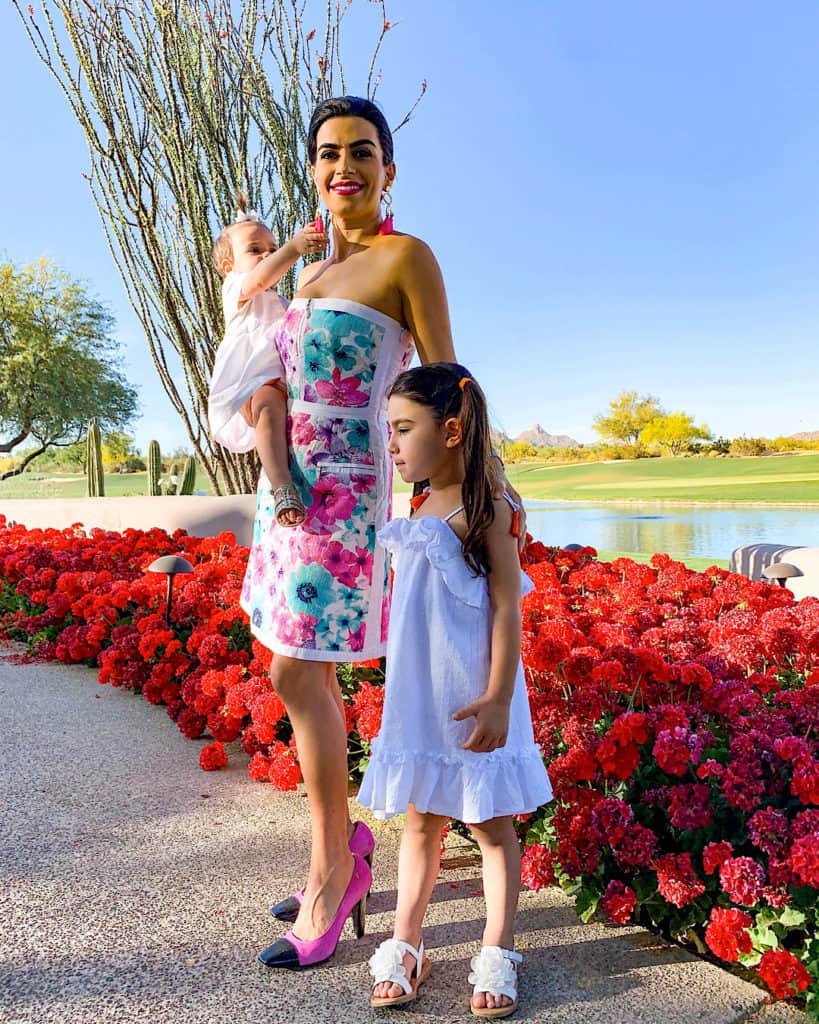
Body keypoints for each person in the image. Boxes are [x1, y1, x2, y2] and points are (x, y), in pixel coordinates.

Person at [250, 96, 527, 972]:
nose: (346, 168)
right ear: (312, 171)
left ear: (388, 169)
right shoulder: (307, 276)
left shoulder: (407, 257)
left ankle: (335, 871)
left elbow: (448, 383)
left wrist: (481, 491)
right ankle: (339, 855)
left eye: (363, 152)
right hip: (286, 494)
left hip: (352, 492)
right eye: (329, 154)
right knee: (288, 670)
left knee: (299, 672)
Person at [357, 363, 552, 1017]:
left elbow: (504, 608)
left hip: (475, 696)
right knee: (419, 822)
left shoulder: (486, 509)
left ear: (450, 430)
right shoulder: (417, 507)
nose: (392, 444)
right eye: (390, 430)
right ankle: (407, 943)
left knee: (490, 826)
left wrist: (498, 697)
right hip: (420, 699)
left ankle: (497, 948)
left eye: (403, 429)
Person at [208, 194, 327, 525]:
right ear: (228, 266)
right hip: (255, 381)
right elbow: (259, 278)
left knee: (283, 419)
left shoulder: (280, 301)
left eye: (272, 249)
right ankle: (282, 486)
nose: (267, 255)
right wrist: (294, 249)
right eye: (255, 249)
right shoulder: (236, 288)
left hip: (287, 384)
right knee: (268, 408)